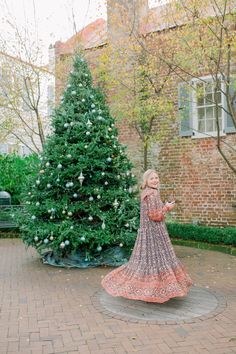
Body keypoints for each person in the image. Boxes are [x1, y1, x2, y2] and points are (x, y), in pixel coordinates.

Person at [101, 169, 193, 303]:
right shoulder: (152, 194)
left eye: (156, 177)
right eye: (152, 179)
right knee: (159, 259)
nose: (155, 180)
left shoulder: (146, 193)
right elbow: (155, 215)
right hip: (155, 233)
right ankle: (156, 290)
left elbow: (152, 211)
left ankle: (151, 289)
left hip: (147, 232)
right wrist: (167, 207)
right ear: (146, 181)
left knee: (147, 261)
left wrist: (164, 206)